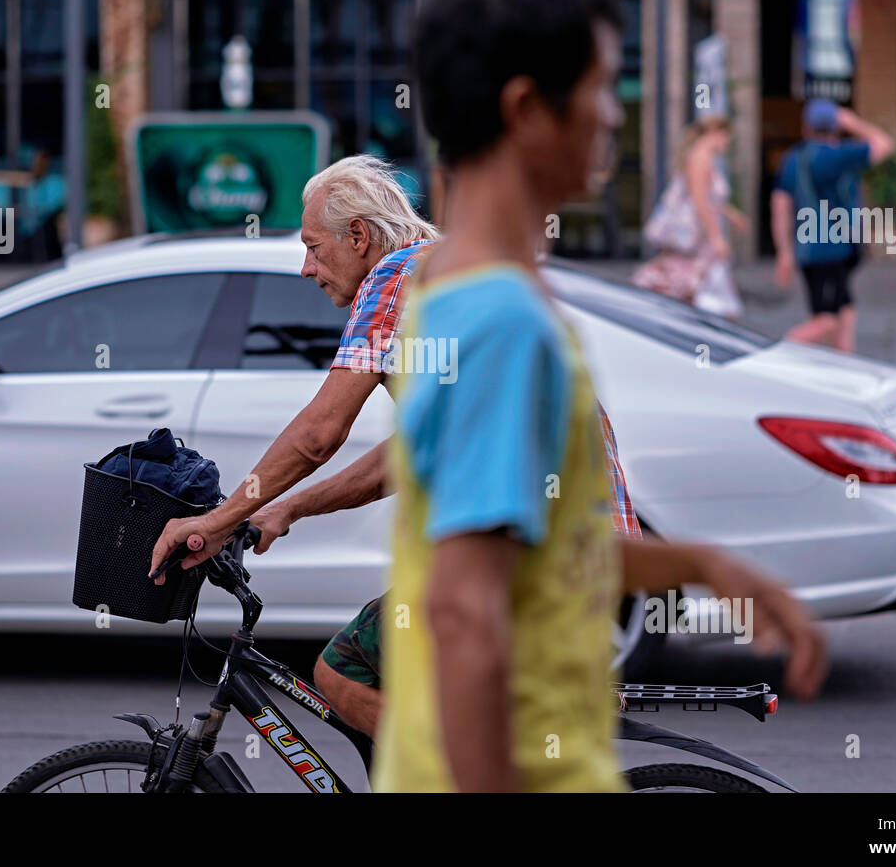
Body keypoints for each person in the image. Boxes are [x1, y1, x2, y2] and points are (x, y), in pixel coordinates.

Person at [374, 0, 827, 792]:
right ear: (526, 110)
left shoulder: (456, 293)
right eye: (599, 88)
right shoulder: (501, 321)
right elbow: (465, 613)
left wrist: (702, 565)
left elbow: (547, 553)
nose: (615, 115)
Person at [150, 151, 642, 738]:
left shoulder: (392, 282)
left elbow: (318, 433)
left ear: (358, 235)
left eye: (313, 247)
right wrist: (288, 508)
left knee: (344, 672)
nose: (306, 268)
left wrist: (224, 518)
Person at [772, 98, 895, 352]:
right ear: (836, 126)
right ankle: (777, 354)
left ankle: (842, 373)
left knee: (845, 314)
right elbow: (885, 145)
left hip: (809, 250)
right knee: (827, 319)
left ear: (806, 127)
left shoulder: (792, 160)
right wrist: (853, 122)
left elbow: (780, 208)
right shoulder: (841, 154)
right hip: (834, 250)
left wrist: (784, 252)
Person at [633, 116, 748, 318]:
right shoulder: (700, 157)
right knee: (706, 300)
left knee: (702, 298)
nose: (727, 142)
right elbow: (699, 200)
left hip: (699, 243)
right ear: (714, 133)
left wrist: (731, 214)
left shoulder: (705, 158)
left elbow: (710, 199)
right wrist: (716, 237)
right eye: (725, 136)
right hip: (696, 241)